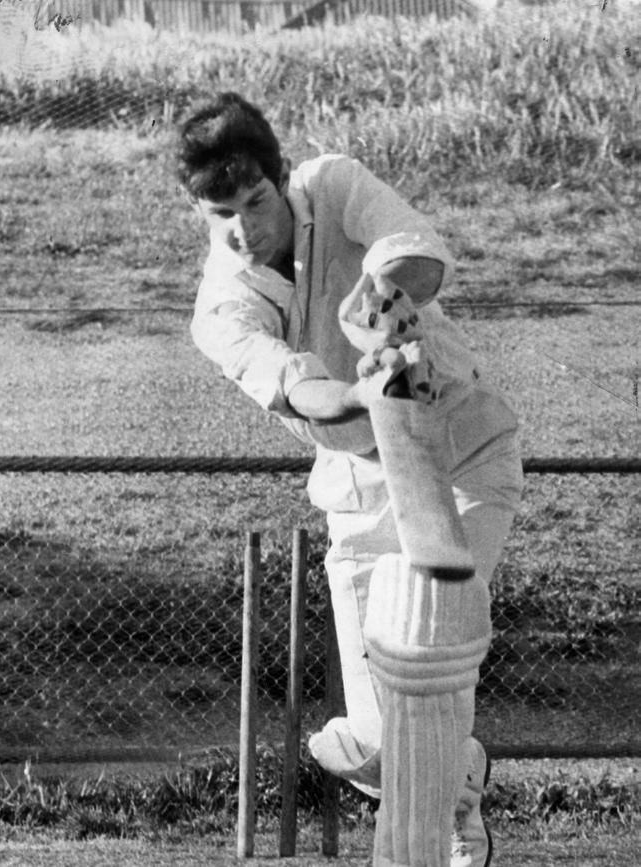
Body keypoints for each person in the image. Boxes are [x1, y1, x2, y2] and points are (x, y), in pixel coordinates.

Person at [177, 91, 523, 867]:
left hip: (463, 461)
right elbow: (306, 396)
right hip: (361, 490)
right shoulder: (221, 307)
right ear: (198, 211)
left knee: (421, 648)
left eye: (256, 201)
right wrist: (363, 391)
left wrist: (375, 298)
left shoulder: (333, 182)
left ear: (283, 179)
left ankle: (441, 818)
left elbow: (419, 256)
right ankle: (459, 779)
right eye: (218, 212)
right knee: (376, 737)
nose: (242, 228)